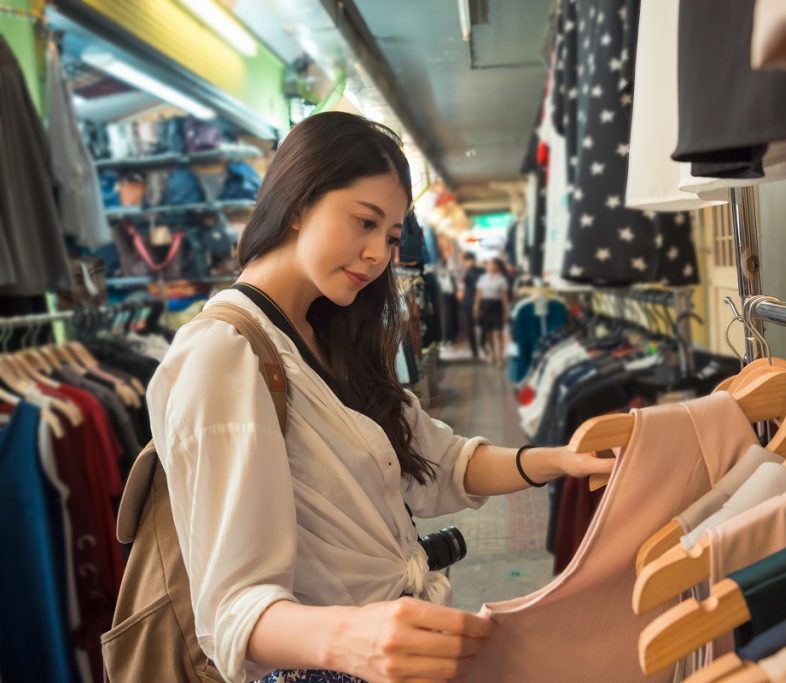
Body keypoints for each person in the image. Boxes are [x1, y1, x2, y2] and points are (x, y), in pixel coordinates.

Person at [145, 112, 613, 683]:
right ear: (298, 203)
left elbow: (441, 461)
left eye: (391, 236)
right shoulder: (223, 357)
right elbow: (231, 612)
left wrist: (556, 461)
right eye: (363, 222)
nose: (377, 254)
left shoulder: (331, 334)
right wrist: (353, 639)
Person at [474, 258, 510, 366]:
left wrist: (505, 312)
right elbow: (479, 294)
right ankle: (492, 354)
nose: (489, 266)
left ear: (497, 266)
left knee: (498, 333)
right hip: (485, 306)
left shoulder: (501, 279)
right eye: (488, 264)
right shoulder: (482, 278)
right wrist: (476, 307)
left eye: (491, 264)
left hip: (497, 306)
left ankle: (500, 357)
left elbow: (504, 297)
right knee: (488, 333)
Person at [460, 251, 485, 360]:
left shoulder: (482, 271)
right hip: (468, 303)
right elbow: (462, 284)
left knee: (484, 325)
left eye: (471, 260)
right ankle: (474, 351)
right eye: (467, 261)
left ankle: (482, 344)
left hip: (481, 302)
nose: (469, 262)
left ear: (474, 260)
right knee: (470, 328)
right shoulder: (465, 273)